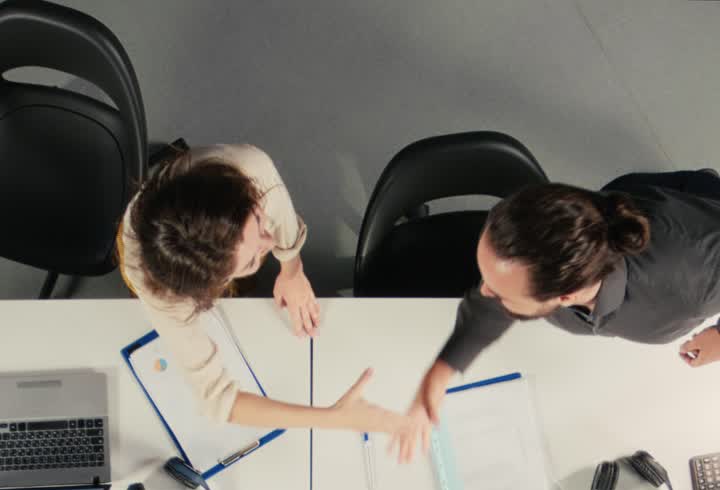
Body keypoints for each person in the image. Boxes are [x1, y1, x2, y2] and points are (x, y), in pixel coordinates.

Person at [396, 168, 720, 461]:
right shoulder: (559, 240)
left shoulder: (696, 279)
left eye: (502, 293)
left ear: (565, 296)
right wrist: (437, 379)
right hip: (637, 207)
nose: (483, 294)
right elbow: (488, 306)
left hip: (697, 226)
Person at [118, 144, 411, 439]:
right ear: (209, 287)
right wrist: (331, 418)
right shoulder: (158, 288)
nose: (270, 243)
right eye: (252, 261)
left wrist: (292, 271)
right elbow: (219, 401)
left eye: (257, 221)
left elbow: (278, 215)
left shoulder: (251, 169)